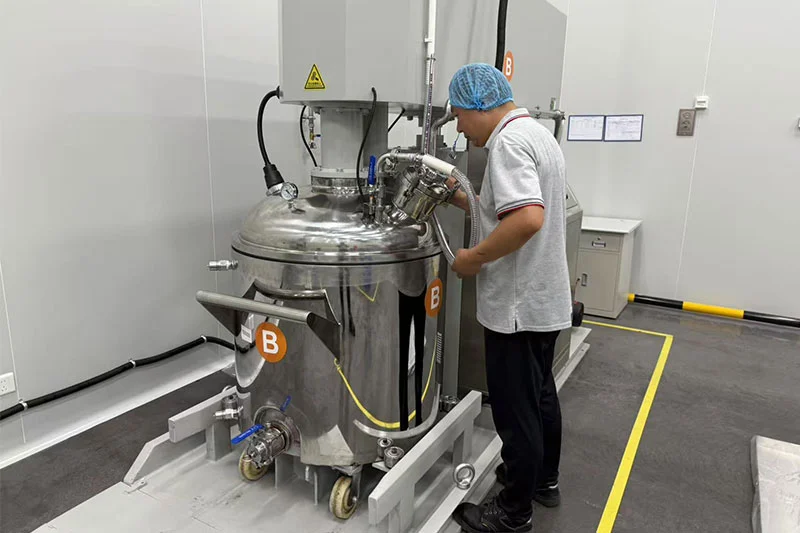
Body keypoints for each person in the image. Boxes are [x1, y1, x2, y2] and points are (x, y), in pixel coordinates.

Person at [446, 63, 572, 533]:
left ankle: (512, 513)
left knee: (515, 414)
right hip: (544, 300)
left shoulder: (507, 143)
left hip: (517, 308)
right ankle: (542, 481)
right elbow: (510, 208)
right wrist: (465, 200)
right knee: (540, 398)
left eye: (459, 115)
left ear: (479, 105)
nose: (459, 128)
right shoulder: (537, 135)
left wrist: (473, 258)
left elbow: (527, 219)